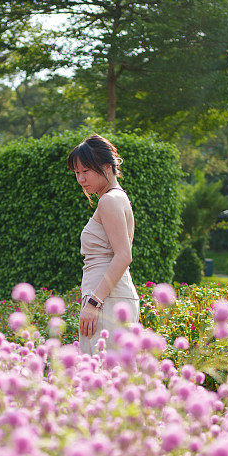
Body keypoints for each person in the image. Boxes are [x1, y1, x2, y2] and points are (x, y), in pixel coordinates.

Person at [68, 134, 140, 354]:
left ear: (107, 167)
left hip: (106, 300)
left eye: (86, 171)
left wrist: (93, 302)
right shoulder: (117, 198)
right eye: (77, 173)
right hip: (110, 296)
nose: (81, 179)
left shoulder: (109, 200)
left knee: (103, 375)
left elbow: (124, 256)